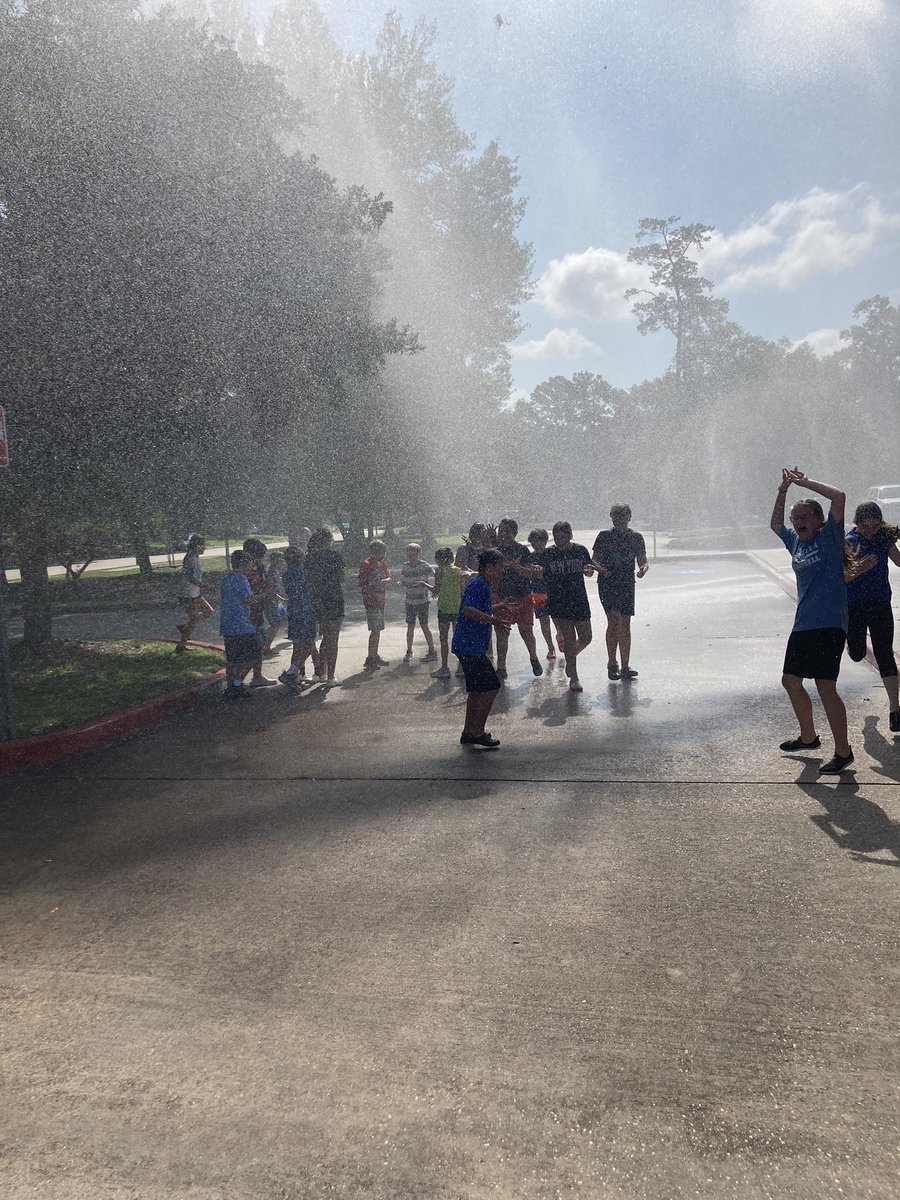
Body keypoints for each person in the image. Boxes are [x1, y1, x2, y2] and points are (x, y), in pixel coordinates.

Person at [770, 467, 854, 773]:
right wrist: (783, 491)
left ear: (819, 520)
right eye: (796, 518)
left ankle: (843, 752)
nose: (799, 522)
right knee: (790, 681)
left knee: (825, 685)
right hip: (803, 623)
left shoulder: (831, 537)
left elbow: (840, 496)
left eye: (805, 517)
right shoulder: (796, 543)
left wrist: (804, 483)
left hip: (830, 623)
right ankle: (808, 738)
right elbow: (775, 523)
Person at [845, 501, 900, 732]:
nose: (870, 530)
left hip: (879, 604)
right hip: (855, 607)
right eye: (865, 526)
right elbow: (842, 576)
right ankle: (852, 644)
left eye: (875, 525)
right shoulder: (850, 542)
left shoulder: (883, 539)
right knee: (857, 654)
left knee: (885, 654)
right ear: (857, 523)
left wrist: (891, 540)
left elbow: (898, 560)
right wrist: (859, 568)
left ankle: (895, 710)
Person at [452, 549, 511, 747]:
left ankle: (469, 732)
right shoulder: (478, 584)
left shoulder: (482, 584)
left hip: (468, 645)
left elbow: (478, 609)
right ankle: (478, 732)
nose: (502, 571)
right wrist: (493, 620)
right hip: (470, 647)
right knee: (492, 687)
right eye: (500, 567)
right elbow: (467, 610)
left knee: (476, 691)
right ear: (489, 567)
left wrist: (498, 606)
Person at [531, 521, 595, 692]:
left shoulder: (580, 550)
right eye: (556, 536)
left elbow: (588, 570)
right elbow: (539, 572)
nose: (559, 540)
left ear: (570, 535)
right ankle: (574, 677)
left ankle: (569, 658)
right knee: (568, 638)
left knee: (586, 637)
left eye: (563, 536)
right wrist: (536, 571)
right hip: (559, 601)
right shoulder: (548, 554)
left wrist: (589, 570)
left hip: (579, 599)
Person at [592, 504, 649, 680]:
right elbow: (594, 559)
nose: (619, 518)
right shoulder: (604, 536)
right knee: (614, 619)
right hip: (608, 582)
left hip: (626, 583)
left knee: (625, 623)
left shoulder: (636, 537)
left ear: (629, 517)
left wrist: (643, 569)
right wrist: (600, 569)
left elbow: (643, 560)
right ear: (611, 517)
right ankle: (612, 663)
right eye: (616, 515)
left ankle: (625, 666)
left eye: (623, 515)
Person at [494, 518, 543, 679]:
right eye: (501, 530)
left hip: (523, 596)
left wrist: (516, 566)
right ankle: (501, 667)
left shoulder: (522, 550)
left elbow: (530, 574)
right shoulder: (494, 552)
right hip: (503, 598)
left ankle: (533, 657)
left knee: (526, 631)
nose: (504, 534)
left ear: (514, 533)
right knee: (502, 634)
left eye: (507, 531)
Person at [305, 527, 345, 687]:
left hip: (317, 599)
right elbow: (341, 577)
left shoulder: (309, 558)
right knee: (332, 638)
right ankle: (330, 676)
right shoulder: (334, 556)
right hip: (333, 598)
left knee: (324, 636)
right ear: (329, 540)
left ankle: (320, 672)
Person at [219, 550, 262, 699]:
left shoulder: (227, 578)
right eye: (249, 564)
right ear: (243, 563)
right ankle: (237, 684)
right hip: (241, 625)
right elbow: (249, 599)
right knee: (254, 655)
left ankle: (231, 688)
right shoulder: (241, 578)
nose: (251, 567)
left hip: (228, 625)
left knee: (233, 659)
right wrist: (265, 595)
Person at [278, 546, 321, 686]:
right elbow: (312, 590)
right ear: (301, 558)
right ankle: (292, 671)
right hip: (306, 611)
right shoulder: (305, 573)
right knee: (309, 643)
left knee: (297, 644)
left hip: (294, 610)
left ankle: (295, 675)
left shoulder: (286, 574)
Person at [243, 538, 276, 687]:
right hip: (249, 613)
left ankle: (257, 676)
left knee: (259, 644)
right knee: (253, 646)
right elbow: (249, 595)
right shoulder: (246, 573)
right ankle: (237, 680)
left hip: (258, 610)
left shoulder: (257, 569)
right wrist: (265, 593)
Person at [399, 542, 437, 663]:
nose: (411, 558)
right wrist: (400, 583)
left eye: (413, 555)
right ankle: (409, 651)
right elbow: (402, 579)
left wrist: (434, 587)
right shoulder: (405, 566)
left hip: (422, 601)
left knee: (424, 625)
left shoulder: (424, 566)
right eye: (409, 555)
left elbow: (435, 576)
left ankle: (432, 650)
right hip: (410, 601)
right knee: (410, 626)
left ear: (418, 554)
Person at [175, 534, 213, 652]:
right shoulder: (191, 558)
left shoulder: (195, 557)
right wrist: (204, 586)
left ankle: (185, 628)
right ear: (197, 546)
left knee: (208, 612)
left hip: (194, 593)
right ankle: (181, 645)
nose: (204, 548)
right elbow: (191, 577)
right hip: (188, 594)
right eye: (203, 546)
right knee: (194, 619)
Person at [359, 539, 392, 670]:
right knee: (374, 629)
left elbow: (389, 577)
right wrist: (372, 585)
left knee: (378, 629)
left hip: (380, 599)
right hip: (371, 601)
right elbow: (362, 583)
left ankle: (375, 654)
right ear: (375, 552)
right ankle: (370, 657)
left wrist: (385, 580)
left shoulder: (382, 563)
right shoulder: (366, 564)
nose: (384, 556)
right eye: (382, 553)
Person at [432, 545, 463, 679]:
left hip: (444, 609)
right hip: (457, 609)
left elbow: (435, 591)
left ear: (439, 560)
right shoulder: (457, 570)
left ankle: (444, 668)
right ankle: (461, 668)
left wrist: (424, 585)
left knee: (443, 639)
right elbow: (462, 590)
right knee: (458, 638)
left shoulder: (439, 571)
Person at [528, 528, 559, 660]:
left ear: (545, 541)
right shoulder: (531, 557)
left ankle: (560, 636)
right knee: (544, 621)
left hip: (553, 591)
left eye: (539, 542)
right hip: (538, 593)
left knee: (558, 619)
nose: (537, 545)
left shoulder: (552, 554)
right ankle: (550, 647)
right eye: (534, 543)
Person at [263, 550, 288, 656]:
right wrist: (281, 598)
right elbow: (271, 590)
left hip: (277, 601)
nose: (282, 563)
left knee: (283, 621)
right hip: (271, 602)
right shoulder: (270, 573)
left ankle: (264, 641)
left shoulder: (276, 572)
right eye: (280, 561)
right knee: (275, 624)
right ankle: (265, 645)